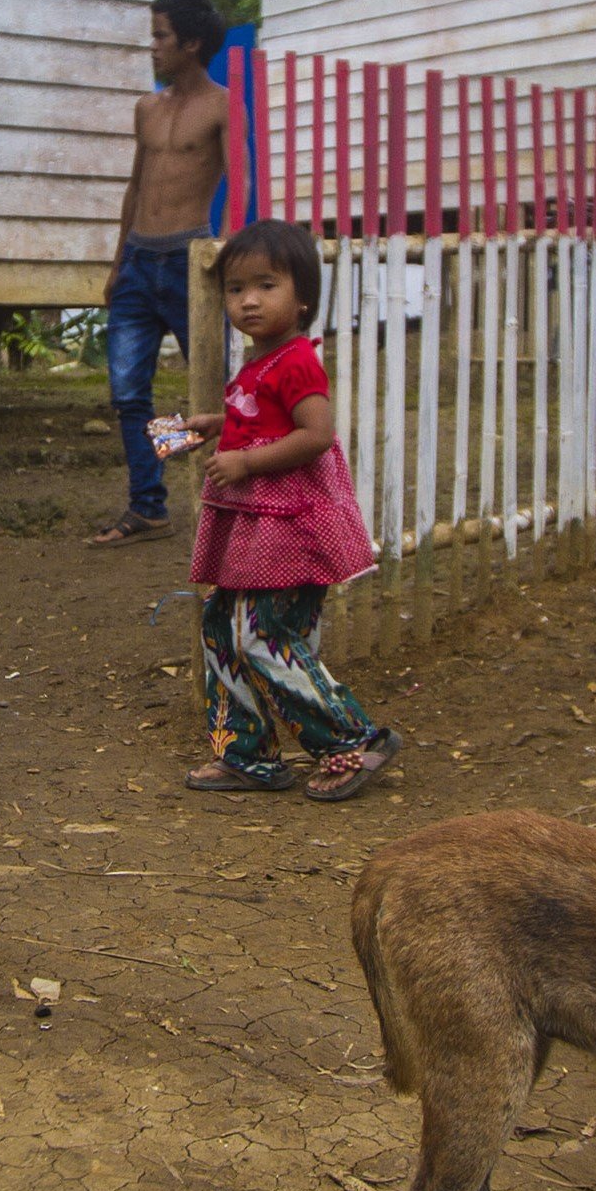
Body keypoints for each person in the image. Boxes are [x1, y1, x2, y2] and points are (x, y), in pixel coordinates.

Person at [170, 219, 398, 800]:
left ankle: (351, 740)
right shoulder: (259, 363)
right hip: (253, 527)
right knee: (223, 629)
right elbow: (262, 419)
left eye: (266, 285)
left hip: (287, 525)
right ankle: (247, 755)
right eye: (235, 288)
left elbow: (316, 434)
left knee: (262, 635)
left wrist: (244, 463)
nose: (248, 300)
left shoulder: (297, 360)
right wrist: (217, 428)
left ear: (302, 301)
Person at [91, 0, 236, 546]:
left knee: (215, 393)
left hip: (190, 261)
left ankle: (231, 498)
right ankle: (148, 507)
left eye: (160, 36)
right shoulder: (145, 109)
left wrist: (227, 259)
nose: (152, 47)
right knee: (128, 393)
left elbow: (240, 184)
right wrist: (117, 261)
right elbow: (135, 186)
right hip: (137, 263)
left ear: (191, 44)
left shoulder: (224, 106)